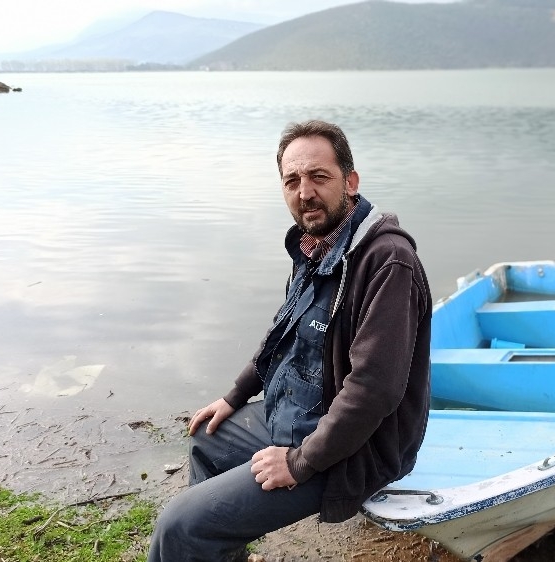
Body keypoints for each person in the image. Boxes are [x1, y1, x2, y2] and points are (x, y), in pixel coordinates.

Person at [147, 120, 432, 562]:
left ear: (350, 182)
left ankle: (198, 539)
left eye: (319, 177)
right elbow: (283, 333)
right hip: (301, 414)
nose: (305, 193)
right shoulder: (315, 246)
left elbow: (373, 390)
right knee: (208, 437)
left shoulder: (387, 262)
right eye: (292, 181)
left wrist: (300, 463)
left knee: (180, 525)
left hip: (356, 447)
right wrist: (235, 395)